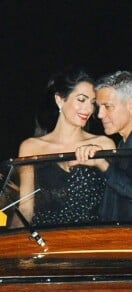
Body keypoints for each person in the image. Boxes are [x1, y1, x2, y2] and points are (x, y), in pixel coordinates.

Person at [17, 68, 115, 226]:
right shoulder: (31, 147)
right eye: (81, 100)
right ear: (60, 100)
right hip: (46, 241)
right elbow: (26, 209)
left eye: (92, 103)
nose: (89, 110)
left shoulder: (103, 144)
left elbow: (116, 199)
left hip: (92, 240)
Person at [73, 70, 132, 222]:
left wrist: (103, 164)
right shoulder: (122, 144)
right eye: (99, 107)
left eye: (107, 106)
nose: (99, 115)